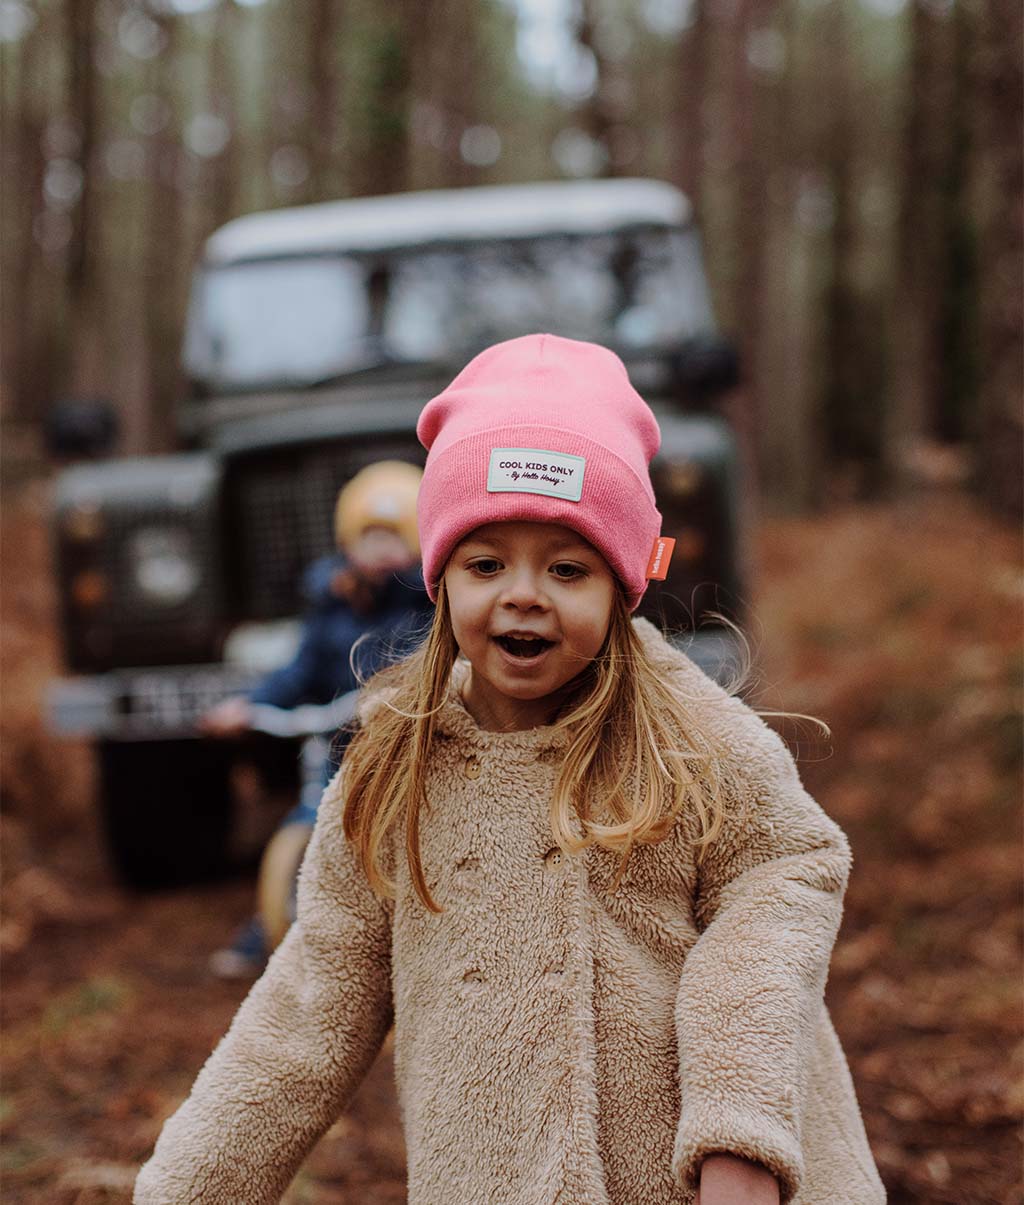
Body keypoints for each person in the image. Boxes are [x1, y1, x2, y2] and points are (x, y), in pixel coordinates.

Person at [135, 335, 885, 1205]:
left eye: (567, 567)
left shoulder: (690, 737)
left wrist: (741, 1129)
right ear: (441, 579)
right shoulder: (395, 775)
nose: (523, 593)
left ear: (622, 583)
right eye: (486, 563)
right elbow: (305, 1014)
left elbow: (788, 869)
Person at [202, 459, 433, 975]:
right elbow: (301, 670)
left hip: (402, 744)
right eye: (368, 537)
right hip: (339, 738)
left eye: (393, 537)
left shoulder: (426, 604)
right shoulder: (331, 604)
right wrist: (252, 704)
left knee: (405, 833)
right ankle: (271, 926)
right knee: (316, 825)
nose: (380, 551)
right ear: (347, 542)